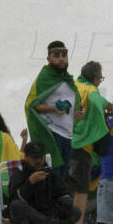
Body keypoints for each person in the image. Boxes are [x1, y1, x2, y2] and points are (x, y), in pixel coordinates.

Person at [23, 40, 76, 188]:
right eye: (56, 55)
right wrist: (53, 109)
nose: (61, 58)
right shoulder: (44, 77)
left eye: (64, 55)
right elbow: (31, 104)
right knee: (55, 174)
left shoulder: (67, 78)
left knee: (65, 174)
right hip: (53, 133)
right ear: (49, 58)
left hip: (69, 133)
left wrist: (78, 112)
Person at [69, 62, 108, 224]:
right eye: (100, 79)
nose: (100, 82)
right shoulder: (92, 90)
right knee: (81, 187)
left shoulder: (74, 85)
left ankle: (66, 223)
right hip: (82, 145)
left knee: (68, 186)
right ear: (95, 78)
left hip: (66, 142)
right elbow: (95, 100)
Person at [7, 140, 79, 224]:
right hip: (30, 216)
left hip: (50, 213)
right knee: (16, 206)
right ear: (26, 158)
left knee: (76, 211)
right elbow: (14, 199)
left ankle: (51, 223)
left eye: (41, 157)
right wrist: (30, 182)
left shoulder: (49, 172)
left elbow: (63, 193)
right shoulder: (19, 172)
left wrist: (65, 201)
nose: (39, 161)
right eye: (35, 158)